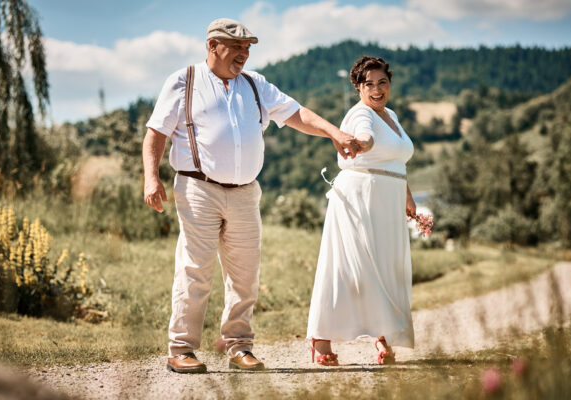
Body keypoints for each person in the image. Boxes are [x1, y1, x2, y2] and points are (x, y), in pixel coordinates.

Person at [142, 18, 360, 373]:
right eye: (236, 47)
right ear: (213, 46)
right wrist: (152, 177)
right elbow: (156, 133)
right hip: (198, 188)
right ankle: (181, 348)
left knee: (245, 275)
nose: (244, 54)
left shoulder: (255, 84)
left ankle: (239, 346)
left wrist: (334, 133)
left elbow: (296, 114)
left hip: (245, 193)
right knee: (195, 270)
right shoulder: (184, 81)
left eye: (247, 49)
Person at [306, 56, 416, 366]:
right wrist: (361, 144)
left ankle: (382, 332)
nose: (377, 89)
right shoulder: (360, 115)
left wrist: (406, 194)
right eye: (369, 84)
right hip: (360, 199)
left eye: (383, 83)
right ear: (358, 87)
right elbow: (366, 139)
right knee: (346, 268)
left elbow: (394, 159)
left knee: (385, 267)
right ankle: (321, 339)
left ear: (390, 84)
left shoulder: (391, 115)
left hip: (387, 199)